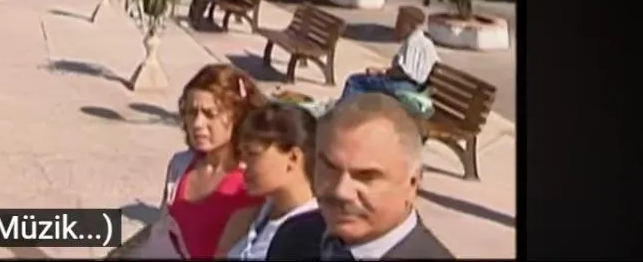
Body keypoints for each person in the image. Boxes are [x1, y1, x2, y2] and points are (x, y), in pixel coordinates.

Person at [314, 94, 453, 259]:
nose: (341, 191)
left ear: (412, 184)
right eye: (330, 168)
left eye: (366, 176)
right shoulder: (299, 233)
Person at [151, 64, 268, 260]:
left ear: (237, 115)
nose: (197, 124)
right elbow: (163, 233)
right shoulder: (180, 166)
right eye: (192, 112)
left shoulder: (252, 181)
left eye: (210, 114)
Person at [218, 103, 326, 260]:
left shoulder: (319, 233)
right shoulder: (246, 221)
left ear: (293, 158)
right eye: (242, 154)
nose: (242, 164)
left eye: (253, 153)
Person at [337, 8, 437, 103]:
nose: (396, 26)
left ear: (412, 26)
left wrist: (381, 72)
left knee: (354, 81)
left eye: (400, 22)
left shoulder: (413, 42)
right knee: (368, 82)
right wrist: (381, 71)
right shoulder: (426, 42)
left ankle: (343, 110)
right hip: (415, 86)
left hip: (406, 87)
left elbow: (404, 72)